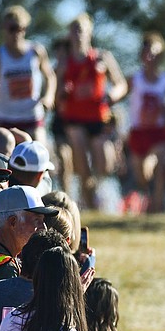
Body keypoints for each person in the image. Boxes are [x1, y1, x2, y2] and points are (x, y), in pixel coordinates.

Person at [55, 13, 128, 209]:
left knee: (103, 166)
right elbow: (55, 95)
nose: (78, 34)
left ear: (90, 32)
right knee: (81, 161)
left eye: (82, 29)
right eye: (74, 29)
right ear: (69, 34)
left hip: (98, 118)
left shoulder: (102, 57)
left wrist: (113, 95)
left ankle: (94, 193)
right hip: (73, 118)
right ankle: (90, 208)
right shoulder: (64, 63)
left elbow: (121, 84)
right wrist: (61, 91)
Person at [126, 33, 165, 213]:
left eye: (155, 53)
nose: (151, 57)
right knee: (142, 177)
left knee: (157, 165)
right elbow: (120, 91)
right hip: (138, 132)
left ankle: (156, 209)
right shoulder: (135, 79)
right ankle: (148, 206)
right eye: (147, 53)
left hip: (159, 132)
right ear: (142, 55)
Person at [0, 6, 57, 145]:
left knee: (40, 155)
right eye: (12, 29)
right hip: (5, 117)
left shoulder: (35, 51)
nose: (16, 33)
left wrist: (49, 97)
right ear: (4, 28)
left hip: (32, 116)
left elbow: (50, 76)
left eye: (20, 29)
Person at [0, 185, 56, 282]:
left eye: (43, 220)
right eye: (36, 220)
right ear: (13, 222)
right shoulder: (5, 268)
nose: (43, 228)